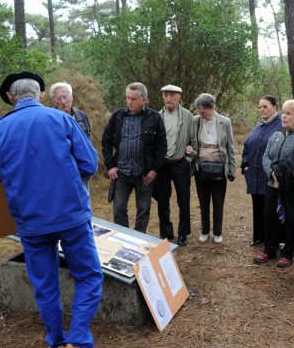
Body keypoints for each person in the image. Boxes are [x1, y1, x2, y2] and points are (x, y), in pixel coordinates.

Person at [0, 71, 110, 348]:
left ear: (11, 98)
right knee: (89, 276)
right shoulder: (61, 119)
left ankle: (57, 344)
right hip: (71, 215)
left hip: (30, 222)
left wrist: (6, 171)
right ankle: (79, 343)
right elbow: (89, 163)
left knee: (45, 284)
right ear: (41, 95)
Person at [101, 82, 167, 233]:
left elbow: (162, 146)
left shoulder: (154, 118)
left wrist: (154, 170)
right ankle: (125, 239)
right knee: (118, 210)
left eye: (134, 99)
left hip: (144, 174)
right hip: (122, 173)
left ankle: (139, 241)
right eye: (128, 98)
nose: (130, 101)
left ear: (144, 100)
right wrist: (110, 165)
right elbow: (106, 141)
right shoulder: (117, 116)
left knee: (143, 210)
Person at [254, 99, 294, 267]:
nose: (283, 116)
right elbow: (266, 157)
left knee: (290, 219)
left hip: (291, 187)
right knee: (269, 216)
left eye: (288, 113)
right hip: (272, 184)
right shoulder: (276, 135)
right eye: (283, 113)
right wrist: (272, 174)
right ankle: (269, 250)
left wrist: (284, 178)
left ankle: (287, 253)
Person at [152, 84, 196, 246]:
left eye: (172, 95)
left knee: (183, 200)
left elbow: (194, 140)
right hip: (162, 165)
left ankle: (183, 233)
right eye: (166, 95)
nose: (169, 99)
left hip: (180, 164)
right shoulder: (157, 116)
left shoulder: (187, 115)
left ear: (179, 97)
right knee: (163, 200)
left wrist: (189, 159)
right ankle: (166, 233)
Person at [192, 93, 236, 243]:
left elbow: (230, 146)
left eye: (202, 111)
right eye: (198, 111)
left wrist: (232, 169)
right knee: (203, 202)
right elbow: (190, 141)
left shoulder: (225, 122)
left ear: (211, 108)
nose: (200, 114)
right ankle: (204, 231)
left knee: (218, 201)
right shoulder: (196, 121)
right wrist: (189, 150)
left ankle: (218, 232)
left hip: (219, 168)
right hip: (201, 169)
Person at [241, 95, 282, 247]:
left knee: (271, 209)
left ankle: (276, 240)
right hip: (254, 175)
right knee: (257, 206)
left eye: (265, 106)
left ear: (275, 108)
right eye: (260, 107)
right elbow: (247, 146)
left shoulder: (280, 125)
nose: (261, 109)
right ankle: (259, 236)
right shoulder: (258, 126)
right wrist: (245, 165)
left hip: (271, 175)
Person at [50, 82, 93, 193]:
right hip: (62, 174)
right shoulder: (49, 119)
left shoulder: (81, 116)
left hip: (83, 172)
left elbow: (88, 141)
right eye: (58, 98)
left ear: (72, 97)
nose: (63, 102)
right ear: (53, 100)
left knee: (85, 201)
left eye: (65, 97)